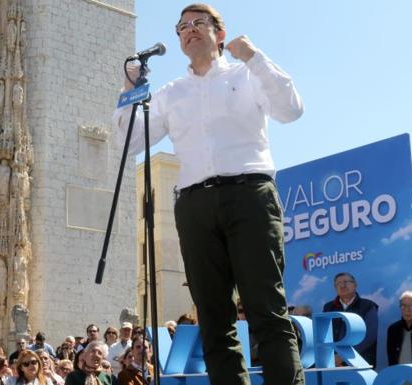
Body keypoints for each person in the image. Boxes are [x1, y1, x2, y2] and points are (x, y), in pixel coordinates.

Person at [113, 3, 304, 385]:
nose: (189, 29)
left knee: (265, 309)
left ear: (219, 33)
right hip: (195, 204)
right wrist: (130, 91)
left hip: (249, 194)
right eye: (182, 26)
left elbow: (291, 109)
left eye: (199, 22)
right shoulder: (171, 93)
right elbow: (130, 140)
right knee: (214, 317)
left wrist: (253, 56)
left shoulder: (246, 74)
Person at [322, 272, 378, 366]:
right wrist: (332, 356)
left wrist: (344, 356)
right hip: (333, 362)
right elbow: (323, 334)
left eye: (346, 282)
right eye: (338, 283)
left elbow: (370, 337)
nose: (342, 285)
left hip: (360, 362)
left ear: (355, 285)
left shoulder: (368, 306)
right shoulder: (328, 308)